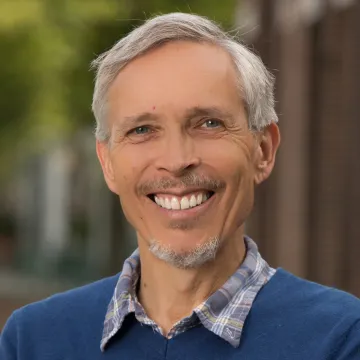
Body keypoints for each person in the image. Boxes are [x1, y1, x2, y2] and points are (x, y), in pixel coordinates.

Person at [1, 12, 359, 360]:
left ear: (262, 150)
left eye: (208, 123)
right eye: (142, 130)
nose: (176, 160)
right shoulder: (31, 341)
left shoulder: (341, 339)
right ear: (107, 163)